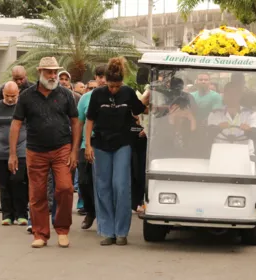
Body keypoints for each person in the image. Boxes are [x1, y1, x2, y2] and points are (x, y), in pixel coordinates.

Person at [9, 57, 80, 248]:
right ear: (40, 72)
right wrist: (13, 153)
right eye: (49, 71)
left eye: (55, 71)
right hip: (35, 151)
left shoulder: (65, 94)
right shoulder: (26, 96)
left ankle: (63, 229)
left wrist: (74, 151)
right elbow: (16, 124)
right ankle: (40, 234)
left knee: (65, 188)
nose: (53, 75)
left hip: (62, 149)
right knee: (37, 194)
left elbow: (75, 122)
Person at [85, 57, 150, 246]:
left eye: (117, 86)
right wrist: (88, 145)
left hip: (123, 144)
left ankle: (122, 232)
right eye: (111, 86)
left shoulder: (128, 93)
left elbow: (141, 108)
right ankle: (107, 231)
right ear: (105, 80)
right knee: (103, 187)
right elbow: (89, 120)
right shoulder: (97, 94)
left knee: (121, 186)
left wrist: (152, 97)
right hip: (100, 145)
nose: (114, 89)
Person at [0, 81, 29, 226]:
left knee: (18, 181)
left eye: (13, 96)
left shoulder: (23, 107)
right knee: (4, 183)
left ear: (18, 93)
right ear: (2, 94)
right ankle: (7, 215)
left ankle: (21, 214)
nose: (10, 99)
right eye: (7, 95)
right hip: (0, 151)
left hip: (20, 150)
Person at [77, 65, 107, 230]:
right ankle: (90, 211)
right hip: (85, 144)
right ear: (95, 77)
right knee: (83, 181)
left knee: (102, 183)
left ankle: (103, 215)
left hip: (104, 145)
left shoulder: (113, 96)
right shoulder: (85, 98)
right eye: (99, 76)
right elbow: (79, 122)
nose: (102, 80)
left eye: (105, 76)